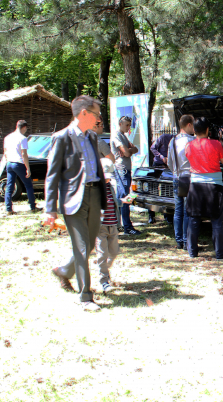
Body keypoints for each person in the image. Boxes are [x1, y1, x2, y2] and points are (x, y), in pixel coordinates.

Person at [45, 95, 107, 312]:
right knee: (81, 247)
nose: (99, 118)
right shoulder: (61, 137)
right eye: (96, 114)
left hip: (94, 195)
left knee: (89, 245)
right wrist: (50, 209)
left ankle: (64, 271)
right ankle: (85, 297)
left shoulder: (91, 136)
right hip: (73, 199)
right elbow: (52, 175)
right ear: (84, 114)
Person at [185, 117, 223, 260]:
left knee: (194, 219)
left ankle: (192, 252)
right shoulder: (216, 144)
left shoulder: (189, 145)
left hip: (195, 185)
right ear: (208, 130)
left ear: (194, 130)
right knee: (216, 220)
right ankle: (220, 254)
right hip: (214, 185)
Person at [95, 159, 127, 294]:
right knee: (102, 254)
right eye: (105, 178)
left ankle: (103, 271)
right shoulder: (95, 188)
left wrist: (123, 201)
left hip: (113, 225)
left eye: (109, 178)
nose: (107, 180)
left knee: (113, 252)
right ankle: (103, 281)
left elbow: (114, 202)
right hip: (100, 227)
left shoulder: (110, 187)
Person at [167, 114, 195, 250]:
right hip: (188, 177)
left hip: (176, 177)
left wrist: (175, 172)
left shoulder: (172, 141)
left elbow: (169, 162)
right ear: (189, 125)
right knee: (187, 210)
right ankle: (185, 240)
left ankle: (179, 240)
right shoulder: (192, 140)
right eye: (194, 124)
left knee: (178, 211)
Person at [111, 116, 141, 235]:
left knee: (121, 198)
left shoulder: (124, 136)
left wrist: (130, 150)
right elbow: (128, 152)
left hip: (125, 169)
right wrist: (130, 150)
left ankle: (120, 225)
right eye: (126, 125)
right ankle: (127, 227)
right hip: (121, 169)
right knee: (125, 198)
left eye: (129, 125)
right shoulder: (117, 136)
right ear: (120, 123)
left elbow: (135, 149)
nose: (128, 128)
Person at [3, 120, 38, 215]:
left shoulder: (7, 137)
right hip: (18, 163)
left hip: (9, 162)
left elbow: (5, 152)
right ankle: (33, 206)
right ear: (24, 127)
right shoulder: (23, 138)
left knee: (9, 186)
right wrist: (28, 168)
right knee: (28, 185)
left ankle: (8, 209)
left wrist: (8, 161)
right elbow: (24, 154)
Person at [148, 132, 175, 224]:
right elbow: (153, 148)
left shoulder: (177, 142)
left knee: (167, 191)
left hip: (168, 166)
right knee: (154, 189)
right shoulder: (164, 137)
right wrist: (161, 157)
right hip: (158, 165)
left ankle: (168, 216)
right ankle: (151, 215)